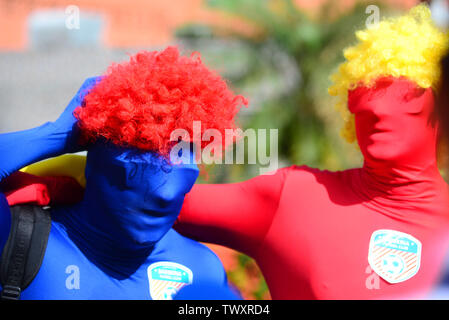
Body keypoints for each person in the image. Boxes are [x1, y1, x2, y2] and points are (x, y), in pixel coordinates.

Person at [4, 5, 449, 300]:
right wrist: (61, 142)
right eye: (366, 99)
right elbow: (147, 195)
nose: (380, 112)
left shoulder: (196, 271)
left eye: (413, 100)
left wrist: (69, 164)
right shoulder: (295, 199)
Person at [0, 47, 246, 300]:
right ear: (93, 161)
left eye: (184, 170)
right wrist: (57, 135)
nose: (166, 193)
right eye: (138, 165)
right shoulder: (18, 238)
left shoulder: (203, 270)